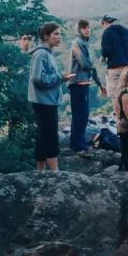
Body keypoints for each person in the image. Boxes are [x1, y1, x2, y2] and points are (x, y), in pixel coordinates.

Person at [28, 22, 74, 171]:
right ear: (46, 36)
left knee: (42, 136)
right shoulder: (41, 54)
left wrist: (60, 77)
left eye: (59, 34)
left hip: (46, 100)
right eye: (56, 34)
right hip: (44, 101)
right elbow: (38, 78)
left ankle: (40, 171)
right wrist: (59, 78)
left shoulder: (46, 53)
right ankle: (55, 173)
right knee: (50, 136)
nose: (59, 37)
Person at [68, 19, 106, 156]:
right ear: (79, 30)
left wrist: (100, 84)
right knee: (80, 115)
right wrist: (93, 66)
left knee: (82, 115)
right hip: (77, 83)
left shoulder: (84, 43)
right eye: (83, 28)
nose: (87, 30)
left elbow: (90, 67)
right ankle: (79, 146)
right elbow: (84, 63)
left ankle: (76, 144)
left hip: (84, 83)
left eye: (88, 27)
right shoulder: (77, 43)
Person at [100, 15, 128, 120]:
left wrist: (103, 57)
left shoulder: (106, 33)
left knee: (115, 95)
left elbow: (106, 51)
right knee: (127, 92)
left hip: (114, 68)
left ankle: (119, 119)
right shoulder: (124, 30)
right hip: (127, 67)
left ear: (104, 23)